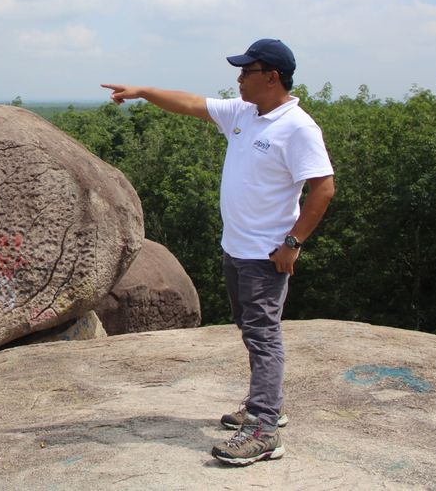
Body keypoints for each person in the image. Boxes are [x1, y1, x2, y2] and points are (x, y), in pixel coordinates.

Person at [102, 38, 335, 466]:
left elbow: (323, 187)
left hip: (267, 255)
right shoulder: (245, 113)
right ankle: (266, 404)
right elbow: (190, 103)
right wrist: (141, 92)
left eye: (247, 71)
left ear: (272, 77)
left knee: (264, 336)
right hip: (236, 249)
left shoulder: (298, 127)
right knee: (250, 330)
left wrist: (293, 243)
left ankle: (264, 429)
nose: (239, 78)